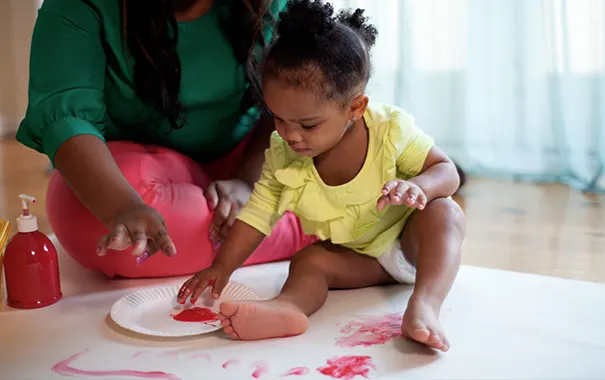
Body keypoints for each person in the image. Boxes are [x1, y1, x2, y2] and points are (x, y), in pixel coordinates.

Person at [177, 0, 466, 352]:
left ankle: (425, 306)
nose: (290, 134)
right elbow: (256, 216)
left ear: (355, 108)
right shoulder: (283, 156)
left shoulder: (389, 131)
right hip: (360, 261)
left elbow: (446, 171)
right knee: (309, 260)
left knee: (446, 212)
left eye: (308, 124)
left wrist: (417, 187)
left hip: (409, 245)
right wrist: (222, 267)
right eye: (278, 119)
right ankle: (289, 308)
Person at [15, 0, 319, 278]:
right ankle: (312, 228)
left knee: (339, 150)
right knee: (90, 221)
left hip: (256, 155)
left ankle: (310, 225)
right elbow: (68, 120)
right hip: (137, 171)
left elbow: (292, 103)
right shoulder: (79, 6)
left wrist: (247, 182)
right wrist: (123, 208)